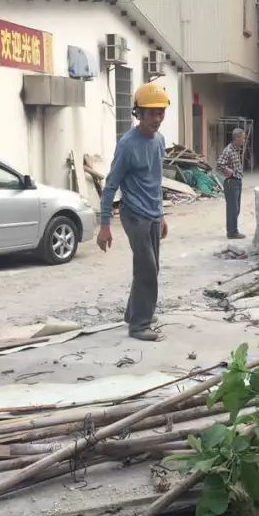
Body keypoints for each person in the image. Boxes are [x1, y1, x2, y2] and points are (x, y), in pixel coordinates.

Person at [97, 82, 170, 342]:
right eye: (151, 113)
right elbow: (110, 185)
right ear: (138, 113)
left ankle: (134, 313)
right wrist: (105, 225)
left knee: (151, 268)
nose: (157, 118)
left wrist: (161, 214)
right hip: (134, 215)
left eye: (161, 112)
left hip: (152, 215)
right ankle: (139, 325)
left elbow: (155, 181)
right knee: (147, 269)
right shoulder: (127, 145)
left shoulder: (159, 141)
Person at [216, 127, 247, 240]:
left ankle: (233, 230)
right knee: (232, 209)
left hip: (237, 181)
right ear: (237, 138)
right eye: (243, 138)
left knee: (236, 208)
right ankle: (232, 232)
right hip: (231, 183)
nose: (244, 140)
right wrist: (231, 173)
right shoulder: (228, 150)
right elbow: (219, 165)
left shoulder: (236, 150)